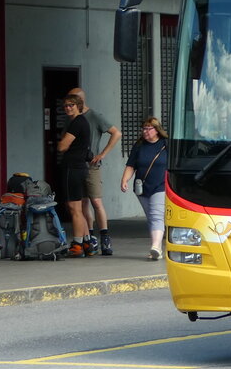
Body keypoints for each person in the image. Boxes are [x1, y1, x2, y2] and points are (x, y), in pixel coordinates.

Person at [68, 86, 121, 256]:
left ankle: (104, 236)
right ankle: (89, 237)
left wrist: (102, 154)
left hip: (91, 165)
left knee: (96, 201)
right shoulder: (72, 119)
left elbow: (116, 133)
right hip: (77, 165)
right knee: (83, 203)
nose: (69, 105)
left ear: (81, 100)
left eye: (73, 101)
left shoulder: (94, 116)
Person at [120, 116, 168, 260]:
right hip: (142, 186)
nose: (145, 131)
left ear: (157, 130)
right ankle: (157, 249)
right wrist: (124, 180)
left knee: (156, 215)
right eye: (144, 128)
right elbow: (131, 165)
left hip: (160, 185)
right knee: (151, 217)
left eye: (149, 128)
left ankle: (155, 246)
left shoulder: (166, 144)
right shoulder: (139, 146)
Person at [57, 94, 95, 257]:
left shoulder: (77, 123)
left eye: (71, 105)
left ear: (78, 106)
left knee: (74, 208)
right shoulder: (81, 122)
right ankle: (87, 242)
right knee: (79, 207)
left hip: (72, 168)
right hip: (80, 168)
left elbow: (62, 146)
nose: (68, 108)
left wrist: (61, 142)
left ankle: (77, 244)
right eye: (65, 105)